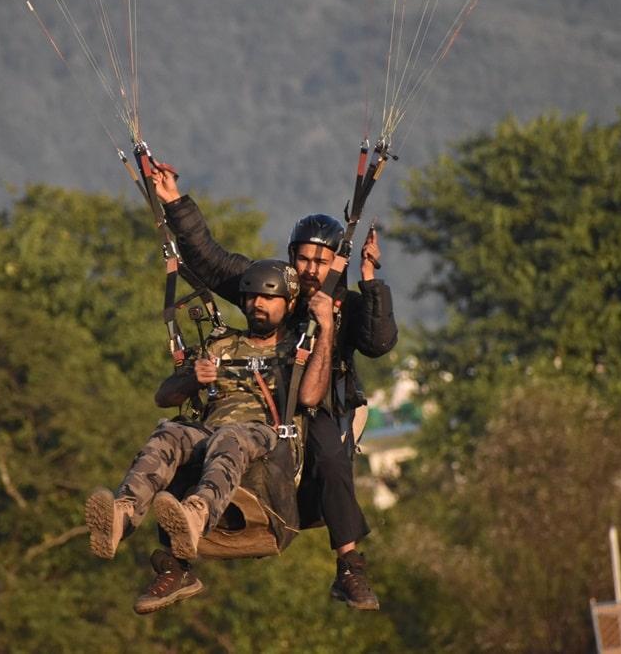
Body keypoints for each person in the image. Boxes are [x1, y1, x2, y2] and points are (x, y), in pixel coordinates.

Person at [148, 166, 398, 611]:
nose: (310, 270)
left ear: (334, 262)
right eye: (302, 260)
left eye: (320, 262)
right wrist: (174, 202)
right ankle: (175, 564)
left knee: (333, 460)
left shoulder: (345, 303)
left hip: (317, 402)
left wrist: (370, 282)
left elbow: (379, 344)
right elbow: (210, 259)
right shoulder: (271, 285)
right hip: (256, 401)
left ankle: (350, 568)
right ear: (290, 258)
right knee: (191, 446)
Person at [84, 259, 335, 614]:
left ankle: (197, 514)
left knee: (230, 436)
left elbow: (310, 397)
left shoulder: (298, 348)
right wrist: (193, 379)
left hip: (267, 436)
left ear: (289, 303)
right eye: (250, 298)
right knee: (168, 432)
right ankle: (121, 517)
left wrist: (325, 330)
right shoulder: (221, 345)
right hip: (209, 431)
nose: (257, 305)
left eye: (268, 299)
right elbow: (165, 396)